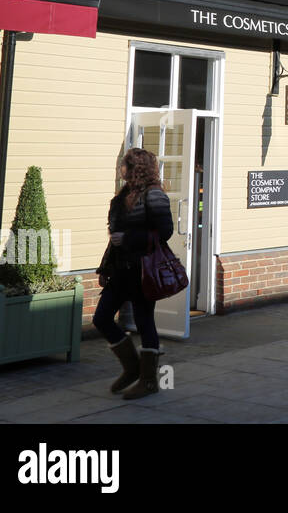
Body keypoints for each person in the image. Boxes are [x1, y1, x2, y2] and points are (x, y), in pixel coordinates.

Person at [93, 147, 174, 400]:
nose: (121, 168)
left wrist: (128, 238)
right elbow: (114, 239)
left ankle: (148, 381)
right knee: (102, 318)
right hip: (120, 269)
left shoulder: (155, 195)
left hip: (142, 270)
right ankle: (132, 368)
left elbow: (165, 232)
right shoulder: (123, 195)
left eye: (125, 165)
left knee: (144, 321)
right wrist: (105, 267)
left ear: (136, 168)